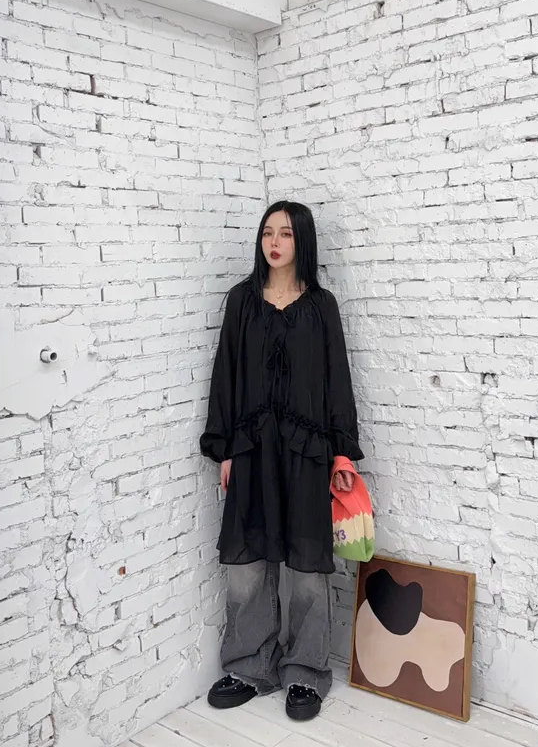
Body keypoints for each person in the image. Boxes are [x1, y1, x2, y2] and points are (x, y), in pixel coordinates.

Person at [200, 201, 363, 721]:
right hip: (251, 447)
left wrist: (342, 450)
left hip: (307, 449)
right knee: (247, 560)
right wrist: (225, 447)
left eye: (286, 234)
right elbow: (225, 373)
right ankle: (250, 666)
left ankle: (305, 672)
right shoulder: (241, 301)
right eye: (267, 232)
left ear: (302, 241)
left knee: (308, 564)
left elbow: (337, 379)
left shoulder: (321, 306)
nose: (274, 242)